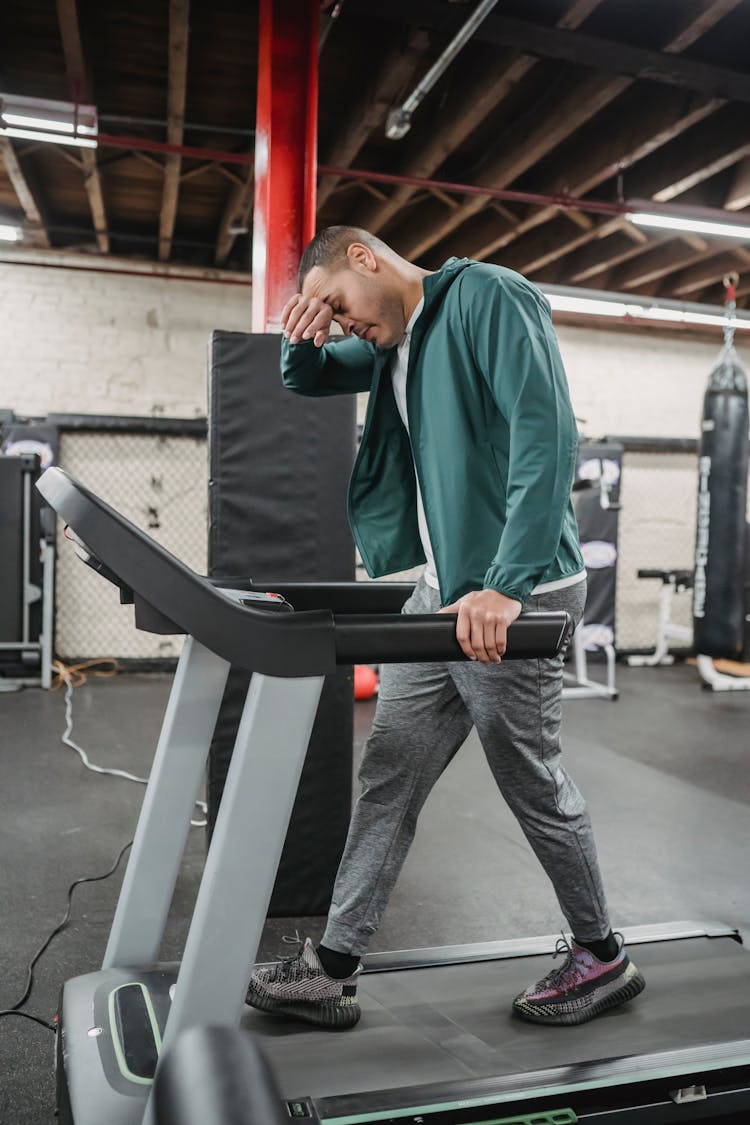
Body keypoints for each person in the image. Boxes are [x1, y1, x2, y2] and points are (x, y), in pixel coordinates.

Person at [247, 226, 645, 1030]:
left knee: (528, 777)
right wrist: (301, 336)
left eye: (337, 304)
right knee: (389, 768)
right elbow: (314, 379)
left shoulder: (487, 296)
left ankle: (603, 955)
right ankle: (332, 965)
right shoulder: (394, 338)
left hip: (512, 593)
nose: (344, 323)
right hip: (441, 593)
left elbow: (547, 431)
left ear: (367, 257)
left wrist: (507, 582)